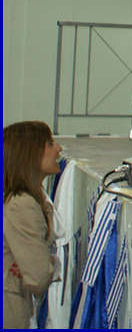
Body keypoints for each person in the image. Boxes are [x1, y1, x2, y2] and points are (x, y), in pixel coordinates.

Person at [3, 121, 62, 329]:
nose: (58, 149)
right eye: (50, 143)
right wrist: (53, 263)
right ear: (31, 153)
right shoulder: (21, 204)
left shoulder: (20, 200)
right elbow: (38, 277)